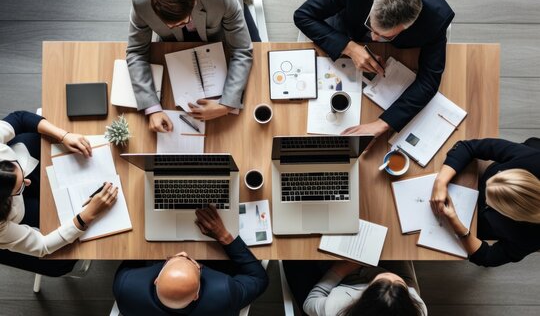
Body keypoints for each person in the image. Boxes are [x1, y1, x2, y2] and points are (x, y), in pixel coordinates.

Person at [294, 0, 454, 140]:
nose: (374, 38)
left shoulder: (436, 21)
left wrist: (382, 124)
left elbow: (429, 81)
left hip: (394, 56)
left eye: (385, 35)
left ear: (408, 26)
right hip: (343, 30)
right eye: (372, 26)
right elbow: (302, 15)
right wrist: (350, 48)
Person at [127, 0, 257, 132]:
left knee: (256, 52)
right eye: (172, 24)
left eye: (184, 21)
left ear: (194, 1)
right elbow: (136, 52)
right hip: (174, 43)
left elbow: (241, 49)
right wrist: (152, 109)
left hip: (222, 26)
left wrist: (226, 105)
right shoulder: (140, 1)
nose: (180, 26)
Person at [0, 111, 118, 276]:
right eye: (19, 188)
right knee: (60, 260)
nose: (27, 182)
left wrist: (64, 136)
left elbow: (19, 118)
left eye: (17, 167)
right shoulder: (1, 227)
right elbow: (42, 246)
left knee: (36, 141)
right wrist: (87, 215)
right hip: (8, 224)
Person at [113, 205, 269, 315]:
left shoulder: (125, 287)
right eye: (191, 260)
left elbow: (131, 261)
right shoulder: (225, 294)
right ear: (196, 295)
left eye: (172, 260)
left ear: (156, 280)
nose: (183, 251)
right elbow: (259, 278)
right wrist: (224, 237)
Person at [430, 138, 540, 267]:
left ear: (510, 215)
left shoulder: (529, 238)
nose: (483, 194)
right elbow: (469, 146)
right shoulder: (533, 159)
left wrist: (457, 224)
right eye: (499, 173)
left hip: (482, 225)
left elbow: (488, 257)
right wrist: (440, 183)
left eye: (490, 201)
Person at [284, 260, 427, 316]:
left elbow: (310, 302)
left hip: (345, 278)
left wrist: (342, 268)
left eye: (381, 280)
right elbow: (408, 283)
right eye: (399, 283)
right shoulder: (417, 309)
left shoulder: (336, 307)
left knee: (293, 259)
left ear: (366, 295)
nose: (391, 276)